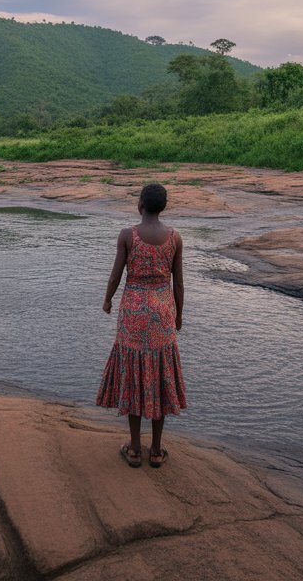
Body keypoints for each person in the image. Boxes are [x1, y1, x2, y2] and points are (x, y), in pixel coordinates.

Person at [96, 183, 186, 469]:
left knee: (134, 377)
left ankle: (135, 450)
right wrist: (179, 315)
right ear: (163, 207)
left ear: (140, 205)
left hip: (133, 313)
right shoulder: (175, 237)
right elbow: (178, 284)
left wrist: (107, 300)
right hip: (163, 312)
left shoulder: (127, 235)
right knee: (159, 376)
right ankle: (156, 451)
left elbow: (115, 276)